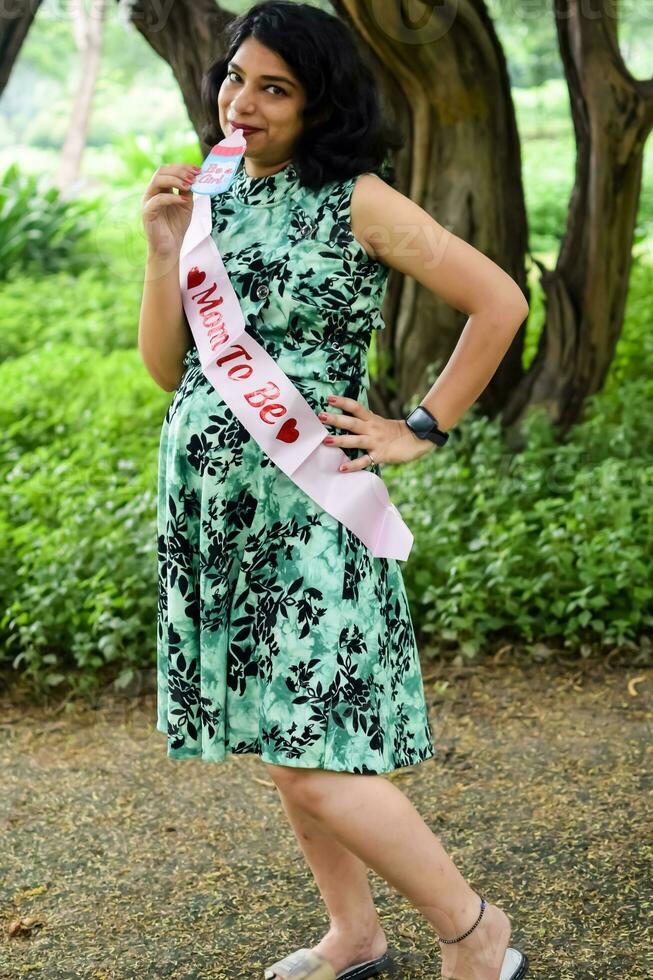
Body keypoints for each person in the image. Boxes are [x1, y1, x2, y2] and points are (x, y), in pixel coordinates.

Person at [138, 3, 530, 979]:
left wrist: (421, 425)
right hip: (211, 503)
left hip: (306, 503)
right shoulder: (210, 194)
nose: (243, 101)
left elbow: (498, 300)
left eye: (275, 87)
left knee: (314, 746)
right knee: (283, 743)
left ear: (320, 103)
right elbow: (163, 368)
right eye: (236, 78)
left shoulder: (354, 199)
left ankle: (472, 927)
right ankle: (353, 934)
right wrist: (161, 245)